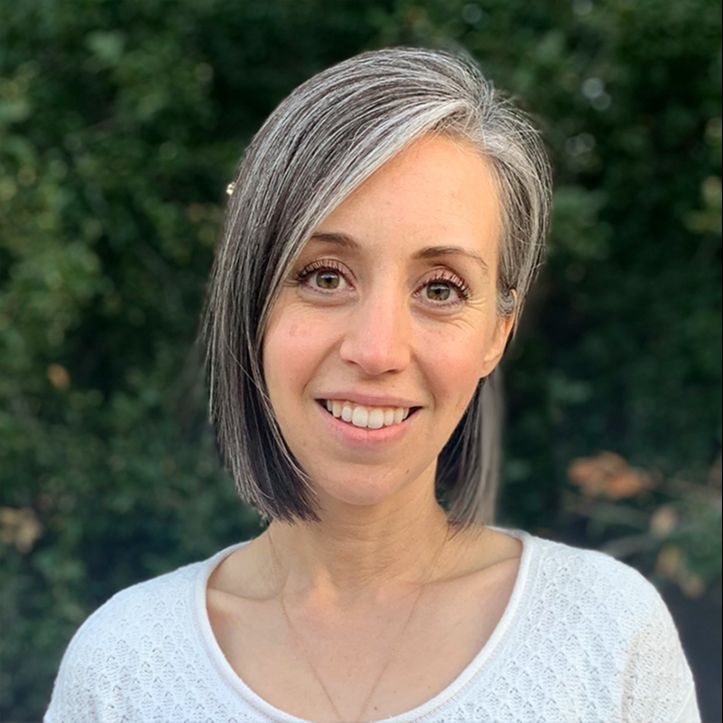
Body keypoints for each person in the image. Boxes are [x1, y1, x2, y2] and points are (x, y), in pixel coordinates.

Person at [44, 47, 700, 723]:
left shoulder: (607, 637)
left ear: (497, 333)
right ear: (252, 304)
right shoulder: (125, 666)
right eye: (325, 276)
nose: (377, 350)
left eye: (440, 289)